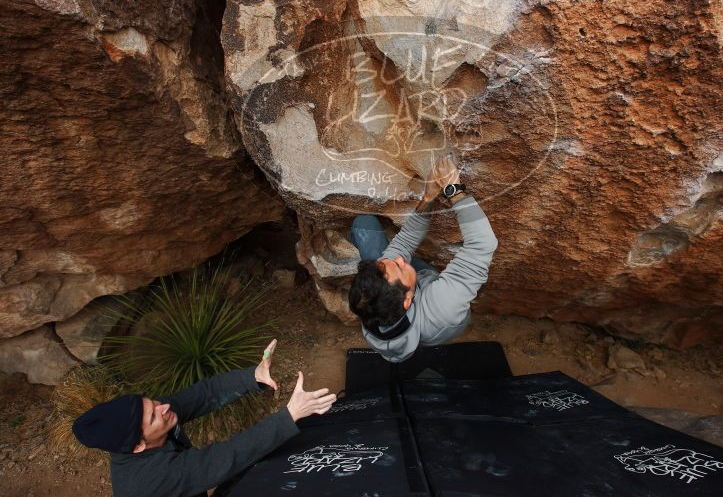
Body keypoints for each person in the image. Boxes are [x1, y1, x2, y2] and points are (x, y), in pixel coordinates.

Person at [72, 339, 336, 497]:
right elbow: (224, 458)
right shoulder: (149, 479)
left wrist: (251, 376)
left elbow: (202, 395)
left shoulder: (152, 419)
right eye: (154, 415)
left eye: (152, 402)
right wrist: (290, 415)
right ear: (138, 446)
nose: (163, 407)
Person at [348, 154, 498, 362]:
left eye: (389, 263)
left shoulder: (373, 303)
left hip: (408, 304)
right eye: (400, 268)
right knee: (441, 279)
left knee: (363, 224)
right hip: (441, 313)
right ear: (408, 300)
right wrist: (453, 189)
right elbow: (483, 244)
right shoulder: (444, 307)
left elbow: (404, 243)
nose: (401, 260)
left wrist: (428, 198)